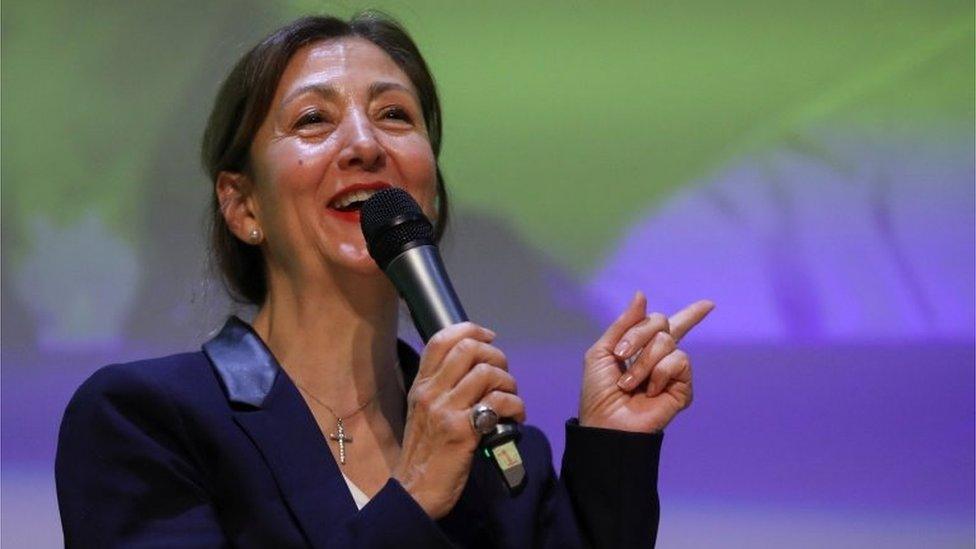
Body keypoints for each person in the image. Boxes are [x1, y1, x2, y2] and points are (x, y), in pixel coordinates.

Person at [55, 13, 713, 548]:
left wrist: (613, 444)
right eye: (313, 119)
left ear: (426, 191)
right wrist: (416, 490)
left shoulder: (502, 448)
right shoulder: (147, 421)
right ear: (243, 206)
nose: (365, 144)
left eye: (395, 115)